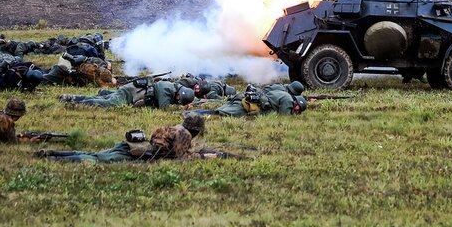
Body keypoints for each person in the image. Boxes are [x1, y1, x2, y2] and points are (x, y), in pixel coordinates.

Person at [36, 115, 211, 162]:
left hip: (130, 146)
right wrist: (203, 156)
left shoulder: (176, 128)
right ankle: (52, 158)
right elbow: (181, 158)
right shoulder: (185, 134)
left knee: (94, 153)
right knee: (96, 160)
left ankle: (51, 152)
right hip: (135, 153)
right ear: (196, 130)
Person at [58, 78, 195, 109]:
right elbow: (164, 108)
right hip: (129, 93)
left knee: (103, 97)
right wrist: (181, 108)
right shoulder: (167, 89)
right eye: (178, 98)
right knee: (109, 103)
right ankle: (75, 103)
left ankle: (71, 97)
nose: (177, 99)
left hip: (130, 91)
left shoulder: (171, 88)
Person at [189, 82, 307, 118]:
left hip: (243, 98)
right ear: (295, 101)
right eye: (298, 109)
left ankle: (193, 111)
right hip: (245, 105)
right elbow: (284, 117)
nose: (296, 111)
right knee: (219, 112)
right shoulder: (287, 100)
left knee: (220, 109)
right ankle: (189, 113)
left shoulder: (281, 91)